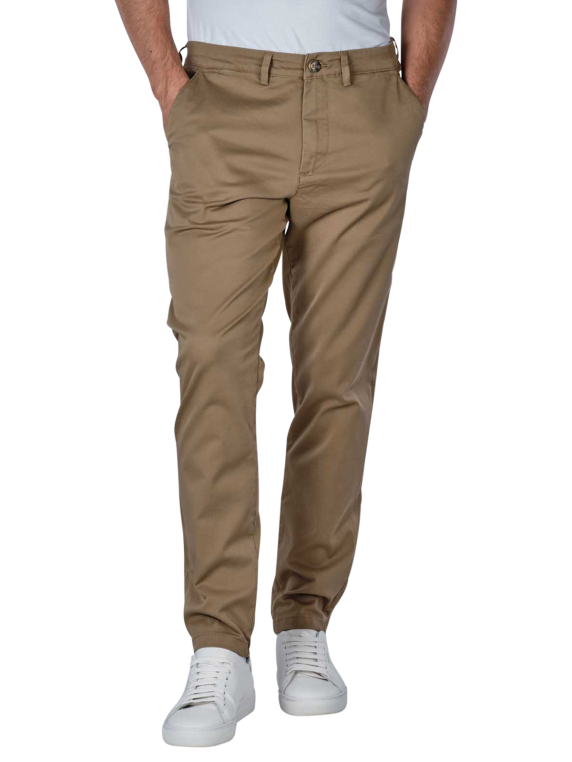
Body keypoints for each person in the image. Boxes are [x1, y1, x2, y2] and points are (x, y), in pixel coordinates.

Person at [114, 0, 457, 747]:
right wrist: (170, 86)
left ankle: (305, 623)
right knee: (212, 366)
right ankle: (220, 646)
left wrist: (410, 100)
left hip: (363, 98)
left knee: (337, 378)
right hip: (223, 98)